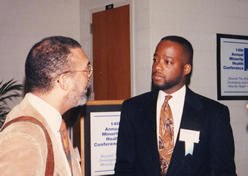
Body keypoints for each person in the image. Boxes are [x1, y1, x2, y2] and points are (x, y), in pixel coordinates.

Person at [114, 35, 237, 176]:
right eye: (155, 60)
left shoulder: (213, 114)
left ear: (186, 69)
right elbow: (124, 167)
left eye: (167, 62)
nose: (157, 66)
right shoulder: (133, 108)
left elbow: (223, 171)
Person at [0, 36, 92, 175]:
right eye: (86, 70)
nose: (89, 77)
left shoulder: (53, 124)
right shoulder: (23, 136)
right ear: (64, 81)